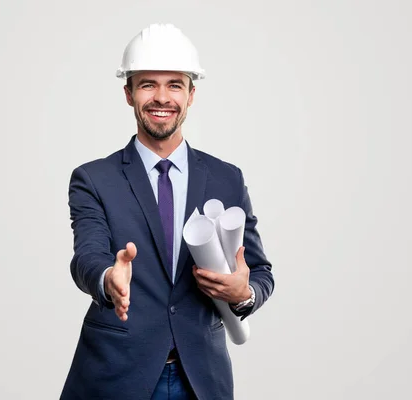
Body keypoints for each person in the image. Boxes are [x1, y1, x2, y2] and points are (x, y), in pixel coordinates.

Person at [60, 23, 274, 400]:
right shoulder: (94, 179)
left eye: (175, 84)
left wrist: (245, 294)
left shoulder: (226, 178)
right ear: (128, 94)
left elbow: (259, 271)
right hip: (115, 376)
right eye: (147, 84)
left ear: (192, 94)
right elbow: (87, 257)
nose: (162, 98)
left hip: (201, 379)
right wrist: (109, 278)